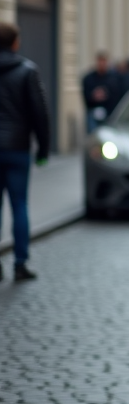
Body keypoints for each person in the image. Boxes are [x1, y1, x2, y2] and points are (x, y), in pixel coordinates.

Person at [0, 23, 51, 281]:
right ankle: (20, 263)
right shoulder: (27, 71)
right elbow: (39, 113)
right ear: (15, 42)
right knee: (20, 204)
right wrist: (43, 148)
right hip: (18, 148)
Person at [81, 52, 122, 133]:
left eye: (104, 61)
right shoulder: (89, 78)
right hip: (93, 112)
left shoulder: (113, 78)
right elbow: (86, 96)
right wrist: (94, 96)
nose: (102, 64)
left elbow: (116, 95)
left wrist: (105, 95)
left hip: (108, 113)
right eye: (100, 61)